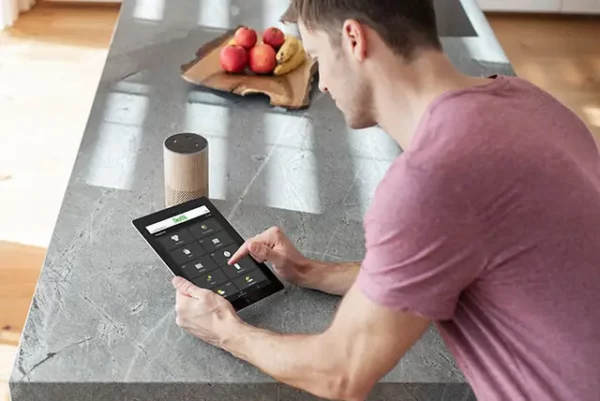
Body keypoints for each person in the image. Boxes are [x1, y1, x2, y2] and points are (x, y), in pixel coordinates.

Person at [172, 1, 600, 400]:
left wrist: (226, 330)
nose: (321, 82)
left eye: (321, 57)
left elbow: (340, 372)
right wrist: (307, 271)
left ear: (354, 39)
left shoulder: (434, 178)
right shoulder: (533, 103)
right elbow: (439, 265)